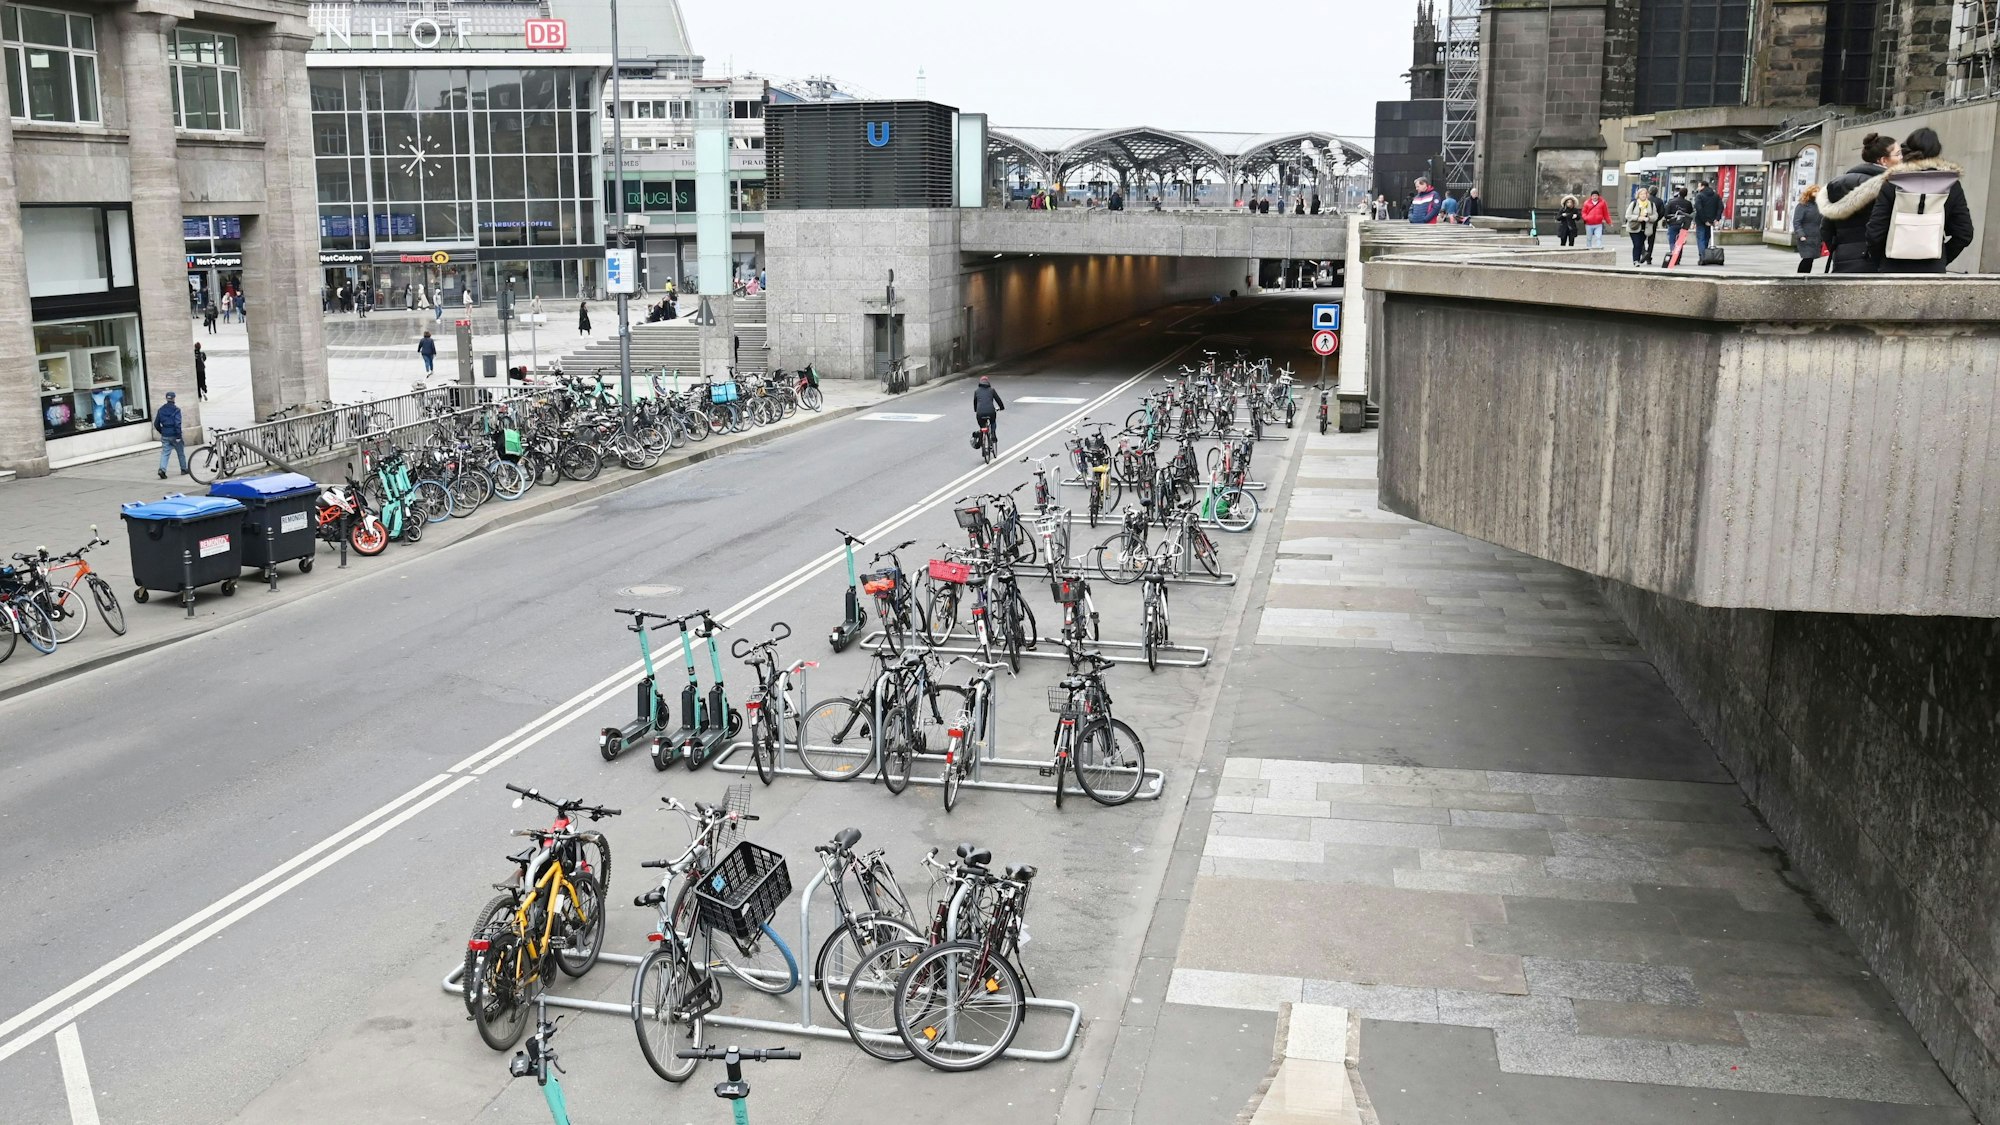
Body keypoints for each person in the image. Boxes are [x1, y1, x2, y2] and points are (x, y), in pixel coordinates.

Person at [1862, 127, 1975, 274]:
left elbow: (1875, 232)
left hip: (1892, 267)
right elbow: (1965, 233)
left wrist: (1881, 260)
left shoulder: (1893, 182)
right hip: (1933, 269)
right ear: (1937, 152)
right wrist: (1942, 258)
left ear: (1907, 151)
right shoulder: (1951, 185)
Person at [1816, 132, 1899, 273]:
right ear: (1883, 160)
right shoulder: (1887, 186)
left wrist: (1839, 250)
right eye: (1898, 154)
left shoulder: (1837, 183)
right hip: (1876, 261)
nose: (1902, 159)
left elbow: (1826, 228)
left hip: (1843, 259)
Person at [154, 390, 187, 479]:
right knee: (180, 452)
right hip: (174, 434)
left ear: (166, 398)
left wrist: (162, 431)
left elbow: (156, 424)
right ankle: (184, 469)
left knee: (165, 453)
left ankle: (162, 469)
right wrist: (178, 436)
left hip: (165, 434)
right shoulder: (176, 410)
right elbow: (177, 424)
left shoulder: (161, 410)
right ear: (173, 398)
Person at [1793, 184, 1826, 273]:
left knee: (1811, 259)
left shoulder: (1819, 205)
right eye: (1815, 191)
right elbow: (1797, 222)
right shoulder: (1802, 205)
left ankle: (1805, 276)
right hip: (1805, 237)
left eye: (1818, 191)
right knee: (1807, 257)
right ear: (1809, 192)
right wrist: (1801, 235)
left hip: (1816, 237)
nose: (1817, 193)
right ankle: (1801, 275)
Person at [1660, 187, 1694, 267]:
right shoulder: (1688, 203)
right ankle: (1678, 258)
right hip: (1683, 224)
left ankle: (1673, 255)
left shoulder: (1671, 202)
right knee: (1680, 241)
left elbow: (1666, 214)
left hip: (1673, 223)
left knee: (1672, 240)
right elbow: (1690, 213)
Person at [1625, 186, 1660, 265]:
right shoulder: (1634, 203)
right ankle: (1635, 260)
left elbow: (1655, 216)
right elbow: (1627, 215)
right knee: (1636, 244)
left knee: (1640, 244)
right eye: (1641, 194)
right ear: (1638, 195)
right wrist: (1638, 218)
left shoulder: (1651, 204)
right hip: (1634, 227)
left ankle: (1638, 258)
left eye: (1644, 194)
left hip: (1645, 228)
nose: (1643, 195)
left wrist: (1649, 218)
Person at [972, 374, 1004, 449]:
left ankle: (980, 440)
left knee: (982, 426)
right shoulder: (992, 390)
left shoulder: (976, 391)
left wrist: (976, 410)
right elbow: (998, 399)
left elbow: (975, 402)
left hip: (980, 413)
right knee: (993, 422)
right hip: (991, 412)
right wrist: (1001, 407)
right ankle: (993, 433)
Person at [1692, 179, 1722, 259]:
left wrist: (1704, 220)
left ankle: (1702, 256)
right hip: (1711, 220)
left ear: (1703, 186)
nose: (1698, 188)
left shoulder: (1699, 196)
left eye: (1699, 186)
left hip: (1701, 221)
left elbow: (1699, 208)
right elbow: (1720, 207)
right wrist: (1717, 218)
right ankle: (1705, 253)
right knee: (1706, 238)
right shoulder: (1716, 195)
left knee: (1700, 238)